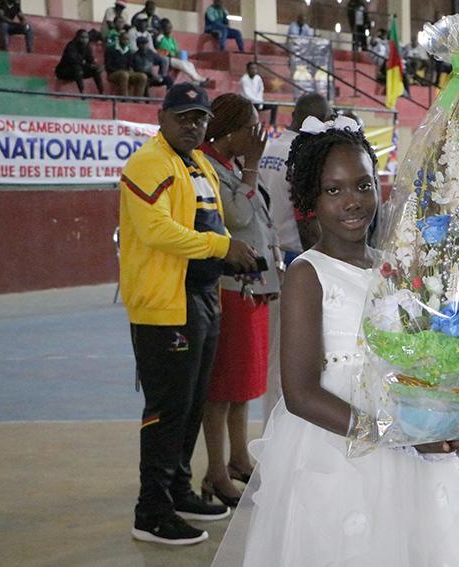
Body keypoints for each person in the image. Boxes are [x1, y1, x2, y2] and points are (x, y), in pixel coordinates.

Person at [211, 116, 459, 567]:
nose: (352, 201)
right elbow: (300, 394)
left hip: (409, 449)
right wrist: (399, 437)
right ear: (310, 199)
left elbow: (431, 367)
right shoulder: (307, 273)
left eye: (362, 185)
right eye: (333, 190)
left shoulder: (398, 270)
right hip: (341, 452)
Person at [120, 83, 258, 545]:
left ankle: (178, 490)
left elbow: (212, 221)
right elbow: (157, 230)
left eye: (200, 118)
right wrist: (221, 247)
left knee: (192, 405)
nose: (193, 126)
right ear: (162, 118)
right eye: (183, 117)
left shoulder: (197, 163)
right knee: (167, 410)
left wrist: (230, 255)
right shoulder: (148, 163)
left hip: (201, 298)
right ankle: (151, 512)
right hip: (164, 305)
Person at [199, 93, 283, 508]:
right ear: (229, 130)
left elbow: (261, 219)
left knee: (244, 384)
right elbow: (238, 217)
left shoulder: (232, 166)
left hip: (255, 287)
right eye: (250, 127)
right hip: (231, 289)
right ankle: (215, 471)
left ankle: (238, 458)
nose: (256, 135)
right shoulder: (209, 167)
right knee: (222, 387)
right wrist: (251, 166)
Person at [259, 92, 333, 266]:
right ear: (324, 122)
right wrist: (320, 265)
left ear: (294, 115)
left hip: (268, 248)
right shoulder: (304, 157)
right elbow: (307, 223)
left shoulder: (270, 148)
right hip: (295, 255)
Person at [157, 19, 208, 85]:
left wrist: (179, 55)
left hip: (174, 57)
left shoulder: (171, 39)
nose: (170, 29)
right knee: (183, 64)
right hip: (167, 59)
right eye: (167, 28)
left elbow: (176, 50)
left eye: (170, 27)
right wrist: (174, 54)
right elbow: (163, 50)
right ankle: (196, 78)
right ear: (163, 29)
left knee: (190, 64)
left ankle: (198, 79)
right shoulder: (161, 38)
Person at [55, 29, 104, 94]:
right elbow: (74, 60)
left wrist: (95, 66)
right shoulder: (71, 45)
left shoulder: (87, 47)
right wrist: (87, 64)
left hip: (77, 71)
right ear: (77, 38)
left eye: (86, 38)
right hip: (64, 71)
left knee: (95, 70)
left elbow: (91, 60)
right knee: (77, 68)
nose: (85, 40)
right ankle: (82, 93)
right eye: (82, 37)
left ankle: (102, 93)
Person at [105, 31, 147, 97]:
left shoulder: (129, 52)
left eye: (127, 39)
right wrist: (121, 71)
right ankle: (125, 99)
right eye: (124, 39)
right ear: (119, 39)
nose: (126, 41)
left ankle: (138, 99)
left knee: (143, 76)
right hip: (113, 73)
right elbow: (108, 66)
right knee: (124, 75)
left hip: (126, 73)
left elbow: (130, 65)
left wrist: (130, 70)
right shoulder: (110, 49)